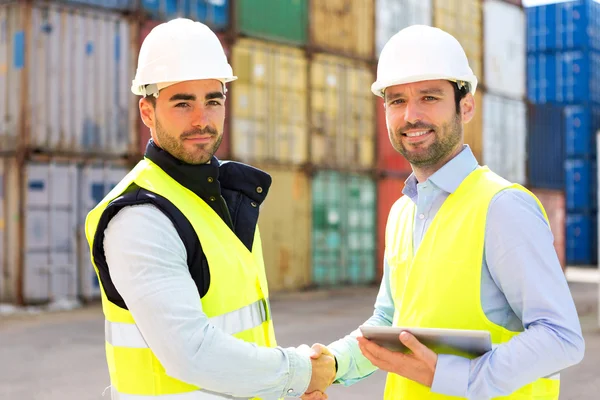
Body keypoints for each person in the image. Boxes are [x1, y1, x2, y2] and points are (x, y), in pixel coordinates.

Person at [309, 25, 585, 399]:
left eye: (429, 97)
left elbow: (561, 337)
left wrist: (453, 376)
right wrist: (333, 365)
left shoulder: (502, 207)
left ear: (465, 106)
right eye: (396, 101)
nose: (411, 115)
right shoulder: (402, 213)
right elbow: (389, 324)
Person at [84, 18, 335, 400]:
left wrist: (281, 389)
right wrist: (300, 374)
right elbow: (192, 353)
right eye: (182, 103)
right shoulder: (139, 216)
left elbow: (243, 334)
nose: (202, 119)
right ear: (147, 112)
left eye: (212, 101)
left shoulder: (222, 197)